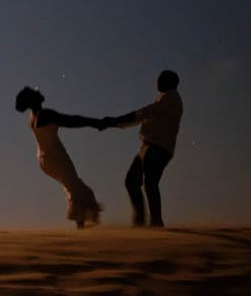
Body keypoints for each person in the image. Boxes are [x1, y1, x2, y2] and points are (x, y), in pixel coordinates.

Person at [15, 86, 105, 228]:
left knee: (72, 187)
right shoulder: (45, 114)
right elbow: (71, 120)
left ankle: (81, 225)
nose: (38, 91)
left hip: (44, 159)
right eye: (34, 92)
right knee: (77, 190)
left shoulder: (33, 116)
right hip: (56, 157)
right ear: (33, 99)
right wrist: (95, 123)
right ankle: (81, 227)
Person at [104, 69, 183, 227]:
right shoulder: (164, 98)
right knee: (133, 181)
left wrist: (115, 121)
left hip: (157, 147)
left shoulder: (171, 97)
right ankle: (142, 220)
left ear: (170, 82)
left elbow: (144, 113)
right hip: (148, 148)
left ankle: (155, 222)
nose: (157, 82)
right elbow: (145, 114)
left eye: (160, 79)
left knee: (150, 183)